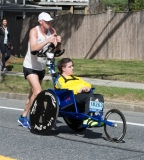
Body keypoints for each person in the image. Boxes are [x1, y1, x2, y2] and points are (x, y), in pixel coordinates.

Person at [18, 12, 61, 129]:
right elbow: (33, 48)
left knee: (32, 94)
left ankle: (23, 116)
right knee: (38, 92)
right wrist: (47, 41)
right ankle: (39, 117)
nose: (49, 23)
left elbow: (56, 51)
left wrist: (58, 43)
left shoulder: (52, 31)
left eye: (50, 21)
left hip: (41, 67)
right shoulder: (34, 31)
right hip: (30, 66)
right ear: (40, 21)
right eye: (47, 21)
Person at [55, 58, 103, 127]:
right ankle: (86, 119)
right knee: (89, 97)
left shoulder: (76, 78)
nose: (72, 68)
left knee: (99, 96)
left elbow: (87, 84)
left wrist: (87, 88)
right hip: (71, 98)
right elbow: (63, 89)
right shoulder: (60, 80)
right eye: (70, 67)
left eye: (72, 66)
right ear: (63, 69)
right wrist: (78, 90)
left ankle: (97, 117)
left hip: (83, 95)